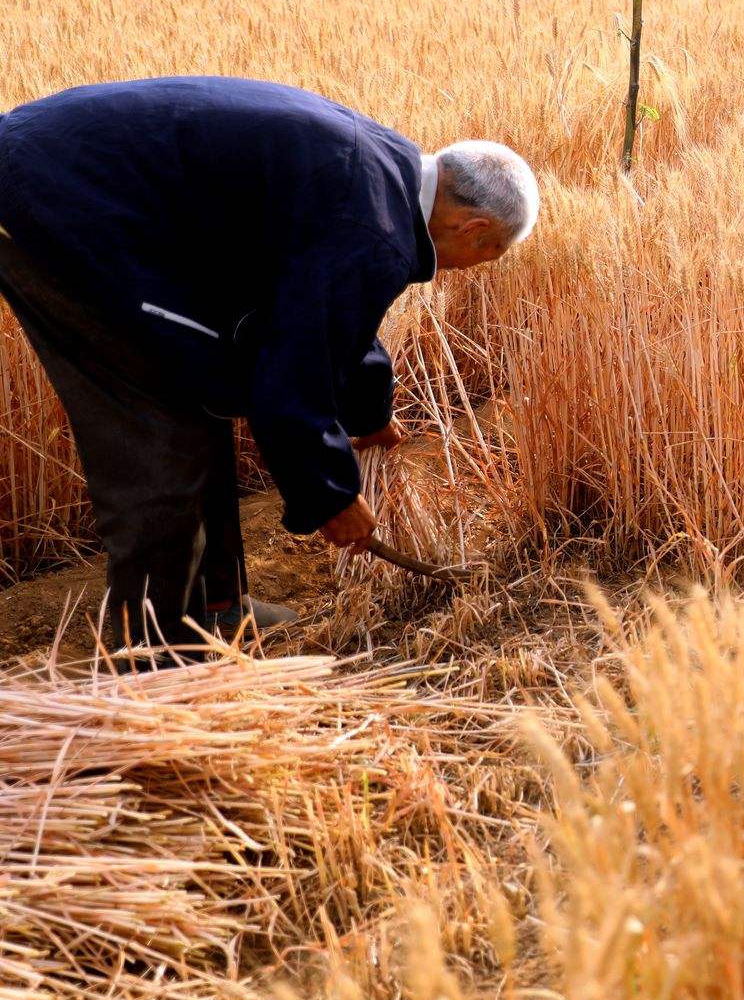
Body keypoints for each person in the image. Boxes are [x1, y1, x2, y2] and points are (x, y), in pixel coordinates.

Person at [0, 77, 539, 659]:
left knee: (204, 391)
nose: (478, 268)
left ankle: (217, 608)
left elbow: (325, 317)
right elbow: (287, 377)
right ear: (474, 228)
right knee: (164, 429)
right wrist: (331, 496)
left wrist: (369, 411)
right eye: (492, 254)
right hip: (52, 204)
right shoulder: (371, 229)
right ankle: (154, 660)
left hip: (76, 184)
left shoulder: (384, 178)